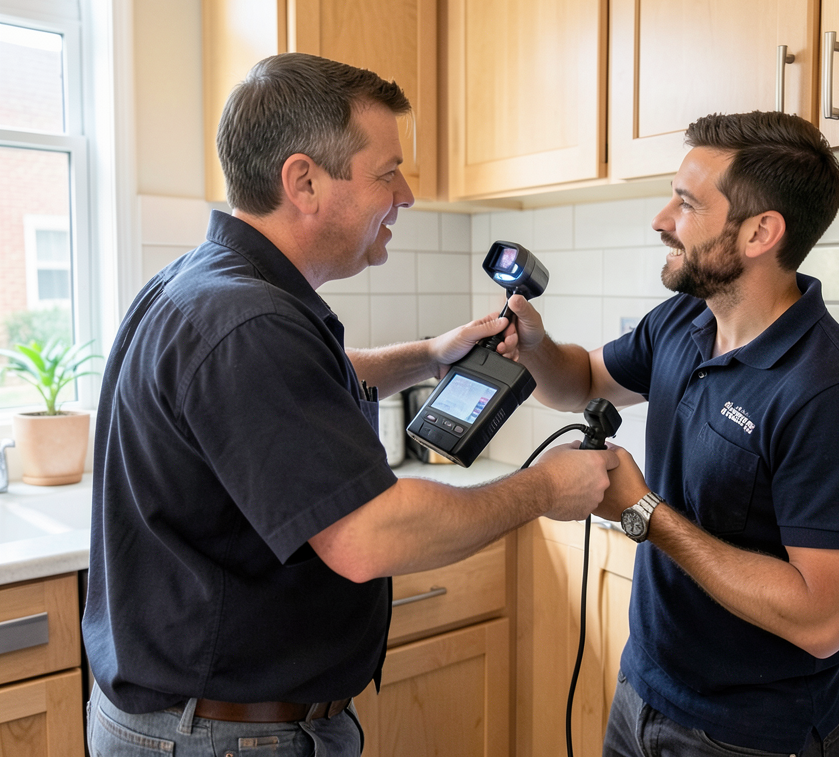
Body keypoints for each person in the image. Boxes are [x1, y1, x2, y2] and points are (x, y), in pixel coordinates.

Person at [82, 52, 622, 757]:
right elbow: (371, 538)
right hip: (225, 735)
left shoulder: (206, 285)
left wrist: (431, 353)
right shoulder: (250, 324)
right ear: (303, 180)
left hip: (198, 720)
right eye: (387, 171)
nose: (405, 194)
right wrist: (546, 487)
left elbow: (293, 389)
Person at [502, 111, 839, 756]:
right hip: (643, 689)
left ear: (759, 233)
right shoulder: (685, 319)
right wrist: (535, 343)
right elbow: (579, 382)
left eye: (686, 203)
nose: (661, 219)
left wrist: (641, 512)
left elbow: (823, 620)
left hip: (748, 736)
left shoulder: (832, 395)